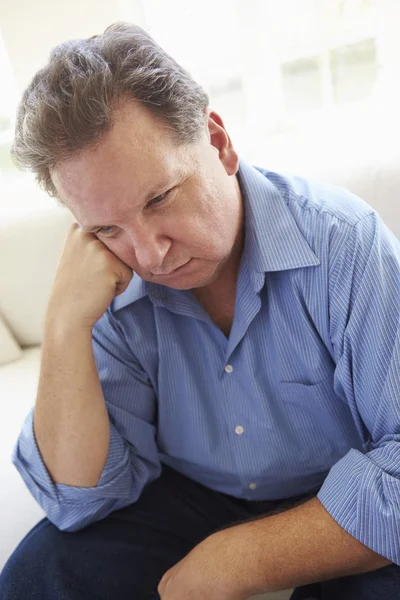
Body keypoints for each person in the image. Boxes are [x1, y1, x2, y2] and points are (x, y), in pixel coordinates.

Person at [0, 21, 399, 600]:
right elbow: (79, 501)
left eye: (159, 198)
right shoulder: (109, 282)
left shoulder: (347, 245)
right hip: (185, 493)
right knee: (40, 576)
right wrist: (64, 326)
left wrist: (239, 558)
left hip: (334, 491)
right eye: (108, 228)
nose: (149, 253)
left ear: (218, 141)